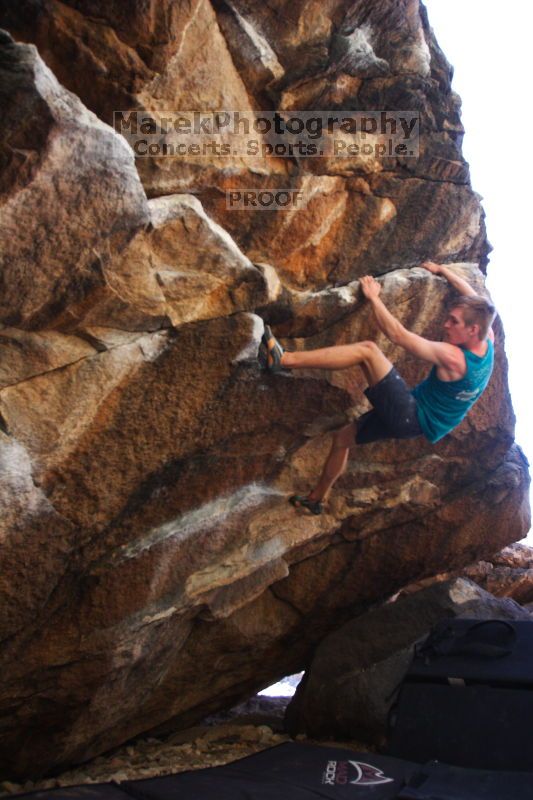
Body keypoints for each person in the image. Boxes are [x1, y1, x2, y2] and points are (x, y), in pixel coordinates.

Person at [260, 261, 496, 514]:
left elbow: (399, 336)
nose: (446, 325)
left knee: (368, 352)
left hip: (411, 415)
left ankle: (284, 359)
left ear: (473, 330)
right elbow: (472, 296)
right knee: (342, 439)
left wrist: (374, 298)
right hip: (416, 423)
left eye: (453, 321)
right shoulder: (486, 339)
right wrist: (443, 271)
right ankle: (317, 499)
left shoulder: (455, 358)